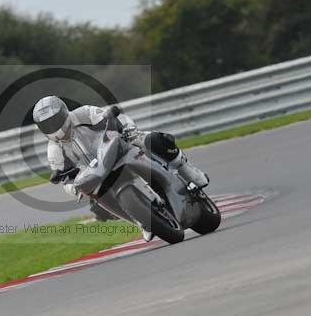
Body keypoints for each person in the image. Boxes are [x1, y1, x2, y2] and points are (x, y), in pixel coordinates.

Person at [32, 96, 209, 241]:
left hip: (115, 146)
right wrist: (74, 188)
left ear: (64, 113)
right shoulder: (54, 150)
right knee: (95, 204)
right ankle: (139, 219)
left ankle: (188, 171)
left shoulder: (83, 113)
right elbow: (64, 179)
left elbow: (112, 117)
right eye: (47, 124)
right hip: (96, 174)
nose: (53, 126)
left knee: (153, 140)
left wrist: (126, 129)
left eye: (54, 120)